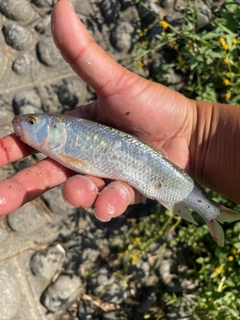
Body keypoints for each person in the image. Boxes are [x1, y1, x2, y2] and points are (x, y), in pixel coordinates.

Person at [0, 0, 239, 221]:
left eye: (32, 121)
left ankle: (212, 213)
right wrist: (197, 128)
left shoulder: (63, 137)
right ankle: (212, 213)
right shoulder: (60, 141)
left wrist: (193, 127)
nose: (21, 121)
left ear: (54, 126)